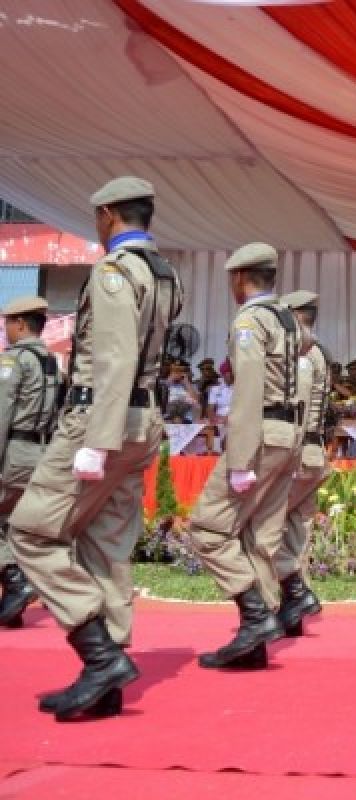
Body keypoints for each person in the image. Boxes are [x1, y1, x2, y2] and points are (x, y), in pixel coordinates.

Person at [9, 176, 181, 721]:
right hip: (141, 418)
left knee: (32, 532)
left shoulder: (113, 272)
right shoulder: (164, 272)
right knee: (106, 545)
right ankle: (103, 679)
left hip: (100, 421)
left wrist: (95, 442)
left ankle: (100, 656)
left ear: (107, 215)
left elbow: (111, 358)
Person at [186, 243, 304, 671]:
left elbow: (248, 389)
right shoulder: (287, 319)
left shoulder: (251, 319)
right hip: (288, 433)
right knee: (259, 536)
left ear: (240, 278)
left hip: (261, 434)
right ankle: (257, 636)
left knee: (209, 528)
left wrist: (239, 459)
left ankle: (255, 616)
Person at [0, 297, 62, 629]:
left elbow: (2, 413)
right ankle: (14, 601)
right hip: (41, 451)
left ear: (21, 324)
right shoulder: (50, 361)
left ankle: (16, 578)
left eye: (8, 322)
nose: (5, 329)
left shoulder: (15, 360)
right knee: (18, 524)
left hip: (15, 450)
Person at [274, 290, 330, 638]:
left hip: (299, 452)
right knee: (296, 534)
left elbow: (299, 405)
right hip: (310, 453)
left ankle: (288, 598)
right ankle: (291, 611)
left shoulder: (304, 354)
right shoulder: (314, 351)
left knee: (266, 529)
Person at [203, 359, 234, 454]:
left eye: (232, 373)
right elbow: (210, 409)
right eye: (228, 373)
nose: (231, 375)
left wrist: (230, 418)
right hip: (219, 420)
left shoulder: (241, 388)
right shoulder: (215, 389)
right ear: (223, 374)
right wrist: (217, 419)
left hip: (235, 418)